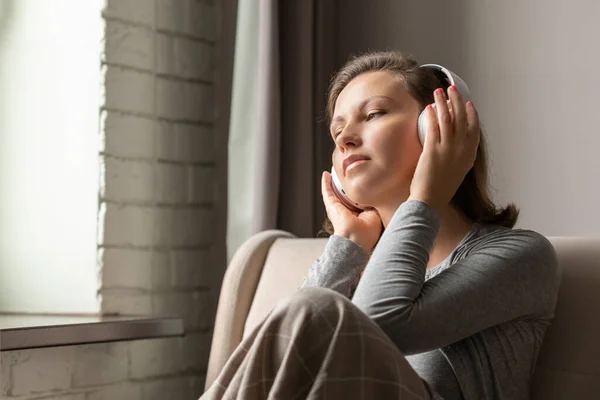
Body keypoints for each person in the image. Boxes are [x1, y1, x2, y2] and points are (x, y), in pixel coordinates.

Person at [201, 51, 561, 400]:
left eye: (372, 114)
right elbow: (282, 366)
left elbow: (378, 328)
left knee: (317, 308)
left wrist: (427, 197)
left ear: (436, 126)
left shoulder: (522, 255)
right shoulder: (353, 271)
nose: (344, 139)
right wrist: (348, 243)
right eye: (337, 130)